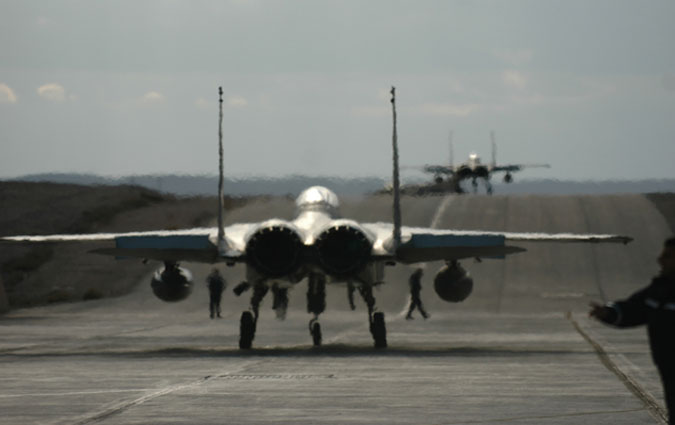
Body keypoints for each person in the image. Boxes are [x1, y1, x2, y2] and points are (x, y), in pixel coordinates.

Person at [589, 237, 675, 424]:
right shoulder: (661, 290)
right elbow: (634, 309)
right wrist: (609, 312)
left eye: (668, 256)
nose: (660, 260)